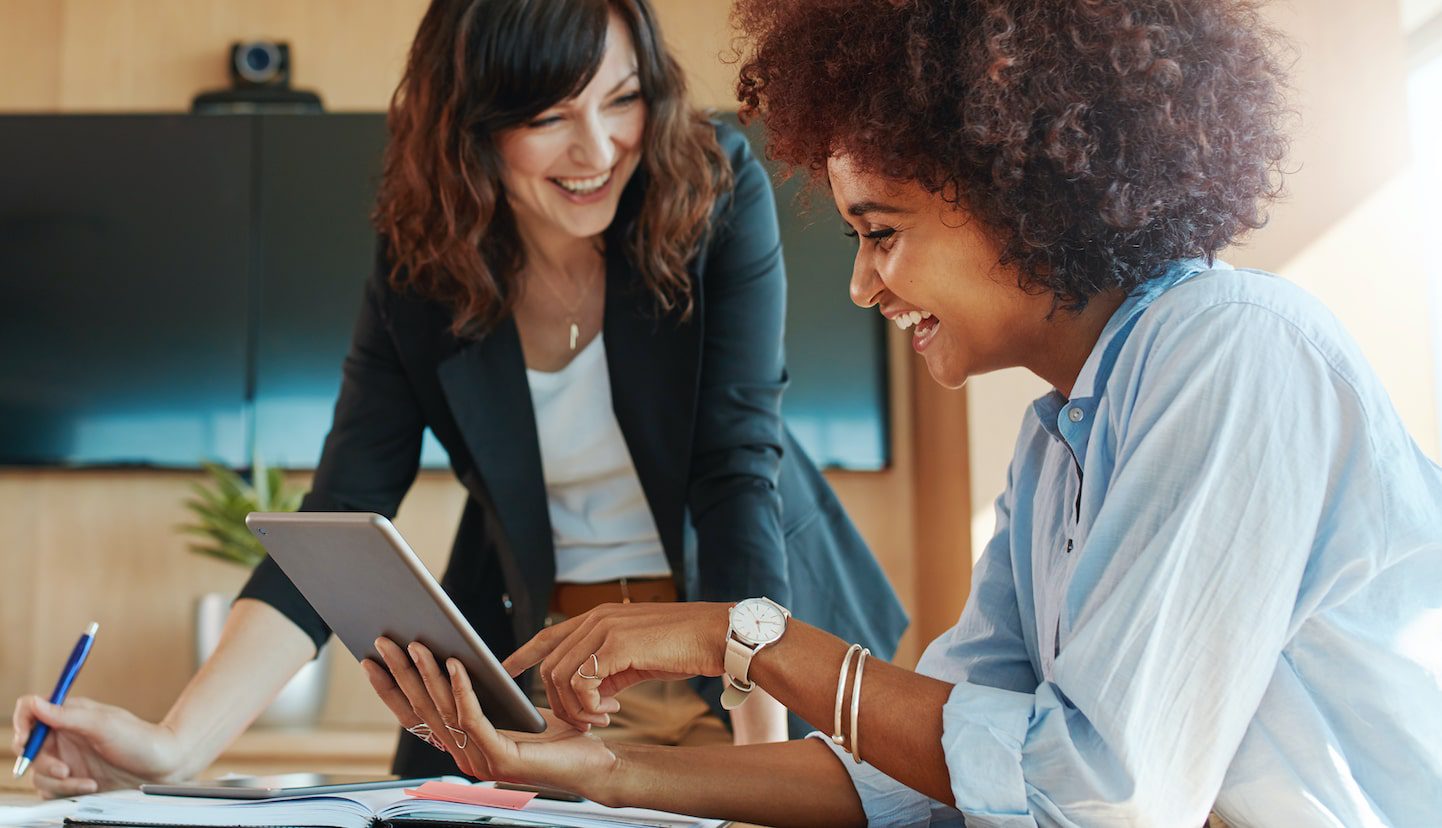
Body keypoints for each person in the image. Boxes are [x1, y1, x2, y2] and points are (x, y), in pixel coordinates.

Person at [357, 0, 1442, 825]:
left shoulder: (1230, 350)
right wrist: (597, 771)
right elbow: (928, 778)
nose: (863, 285)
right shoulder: (1056, 443)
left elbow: (1093, 794)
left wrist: (741, 636)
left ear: (1020, 186)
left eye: (881, 232)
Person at [9, 0, 906, 796]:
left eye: (622, 98)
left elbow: (734, 469)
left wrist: (764, 762)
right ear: (473, 125)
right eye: (550, 115)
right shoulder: (423, 263)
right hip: (555, 679)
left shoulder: (712, 187)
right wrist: (172, 747)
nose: (597, 148)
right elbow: (341, 514)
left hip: (749, 657)